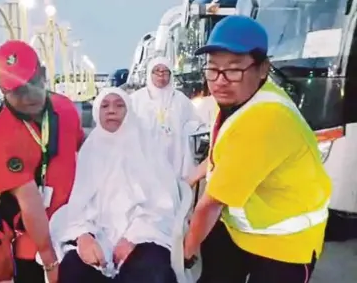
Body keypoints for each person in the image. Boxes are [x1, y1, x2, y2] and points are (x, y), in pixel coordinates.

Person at [182, 15, 332, 283]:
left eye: (234, 69)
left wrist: (186, 252)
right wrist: (192, 175)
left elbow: (210, 205)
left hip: (284, 244)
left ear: (263, 68)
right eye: (212, 69)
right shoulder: (242, 97)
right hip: (240, 229)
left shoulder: (266, 119)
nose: (220, 80)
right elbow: (223, 147)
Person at [0, 40, 84, 283]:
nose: (28, 97)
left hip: (75, 231)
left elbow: (86, 153)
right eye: (17, 91)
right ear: (0, 88)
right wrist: (49, 260)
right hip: (32, 245)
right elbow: (30, 203)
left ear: (44, 75)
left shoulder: (65, 108)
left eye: (33, 83)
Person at [59, 87, 180, 283]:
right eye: (105, 106)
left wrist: (133, 237)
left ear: (129, 111)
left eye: (119, 105)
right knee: (72, 268)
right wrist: (83, 236)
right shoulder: (90, 149)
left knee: (152, 273)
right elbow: (77, 204)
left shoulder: (146, 146)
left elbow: (161, 203)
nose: (111, 110)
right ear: (97, 112)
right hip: (100, 234)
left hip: (145, 232)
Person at [131, 56, 203, 181]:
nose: (161, 75)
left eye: (165, 72)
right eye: (157, 71)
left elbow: (195, 122)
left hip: (173, 157)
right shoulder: (136, 99)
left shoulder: (180, 99)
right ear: (150, 74)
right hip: (145, 159)